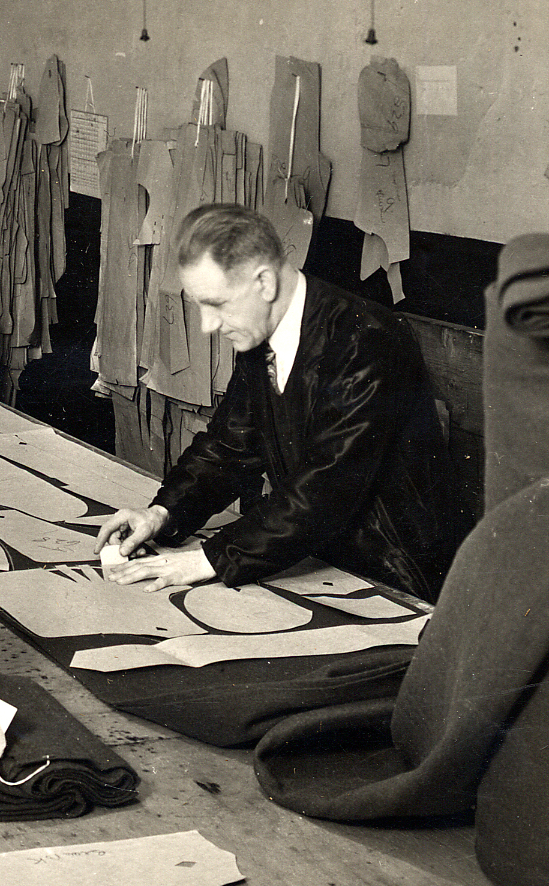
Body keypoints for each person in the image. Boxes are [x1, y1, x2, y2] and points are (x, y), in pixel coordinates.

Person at [95, 206, 456, 601]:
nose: (207, 325)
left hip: (398, 577)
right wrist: (163, 513)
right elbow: (229, 445)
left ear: (264, 282)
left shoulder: (365, 338)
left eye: (216, 303)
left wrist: (211, 559)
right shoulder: (261, 328)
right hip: (317, 556)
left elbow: (326, 486)